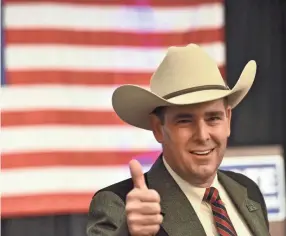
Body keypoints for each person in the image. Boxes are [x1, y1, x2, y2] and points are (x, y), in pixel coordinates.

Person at [86, 44, 270, 236]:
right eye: (185, 121)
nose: (202, 135)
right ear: (158, 128)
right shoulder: (119, 204)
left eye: (213, 118)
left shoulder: (248, 191)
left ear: (228, 119)